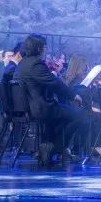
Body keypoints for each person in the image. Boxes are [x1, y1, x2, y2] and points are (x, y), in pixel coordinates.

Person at [17, 34, 86, 165]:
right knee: (76, 117)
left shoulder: (22, 63)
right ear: (39, 48)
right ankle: (55, 148)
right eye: (44, 47)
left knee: (61, 116)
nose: (45, 50)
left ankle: (47, 146)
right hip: (40, 108)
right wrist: (73, 95)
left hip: (27, 107)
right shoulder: (36, 64)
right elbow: (54, 83)